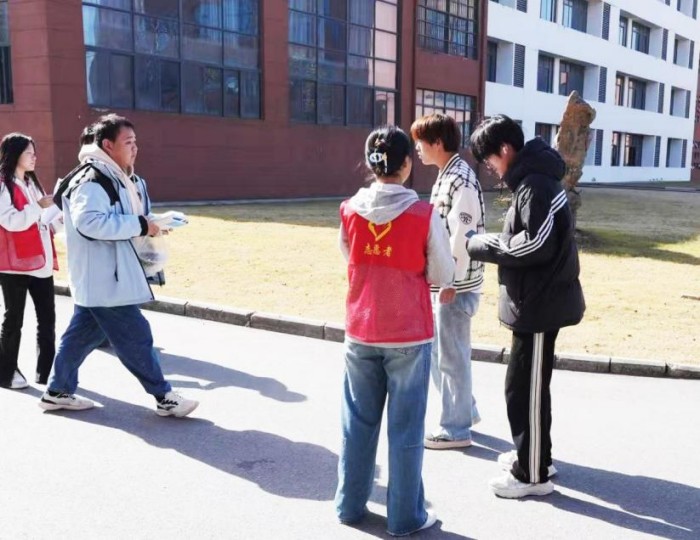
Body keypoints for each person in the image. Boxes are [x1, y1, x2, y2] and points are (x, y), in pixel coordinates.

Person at [334, 126, 454, 536]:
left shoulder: (349, 209)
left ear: (371, 164)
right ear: (405, 164)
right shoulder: (423, 214)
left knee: (357, 423)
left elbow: (349, 255)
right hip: (408, 333)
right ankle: (405, 518)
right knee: (406, 429)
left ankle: (349, 506)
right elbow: (442, 273)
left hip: (361, 328)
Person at [38, 114, 198, 417]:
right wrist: (141, 225)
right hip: (106, 277)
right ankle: (164, 397)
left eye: (135, 141)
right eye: (128, 142)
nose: (135, 147)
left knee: (80, 337)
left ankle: (57, 392)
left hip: (106, 275)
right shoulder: (93, 179)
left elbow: (126, 219)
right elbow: (90, 223)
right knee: (136, 336)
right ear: (107, 145)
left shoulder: (118, 177)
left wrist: (153, 225)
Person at [466, 115, 585, 498]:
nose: (491, 168)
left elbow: (535, 245)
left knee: (524, 390)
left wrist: (481, 244)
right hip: (536, 302)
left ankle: (531, 474)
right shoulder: (534, 180)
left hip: (539, 305)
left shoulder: (536, 184)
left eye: (489, 160)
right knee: (529, 388)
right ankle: (536, 457)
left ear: (505, 150)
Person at [410, 113, 486, 450]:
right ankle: (464, 411)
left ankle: (456, 428)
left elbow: (461, 236)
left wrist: (450, 281)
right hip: (447, 282)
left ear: (437, 143)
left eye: (420, 142)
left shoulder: (460, 179)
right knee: (444, 352)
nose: (417, 149)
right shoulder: (448, 175)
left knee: (451, 356)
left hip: (455, 285)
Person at [0, 134, 59, 389]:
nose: (34, 157)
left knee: (47, 319)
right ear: (14, 154)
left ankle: (47, 373)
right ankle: (6, 373)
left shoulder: (32, 183)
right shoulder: (4, 185)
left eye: (35, 152)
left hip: (40, 261)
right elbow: (10, 221)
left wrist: (56, 217)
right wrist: (38, 207)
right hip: (14, 264)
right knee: (14, 320)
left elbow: (43, 220)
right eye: (29, 153)